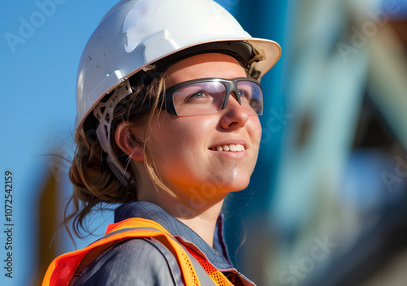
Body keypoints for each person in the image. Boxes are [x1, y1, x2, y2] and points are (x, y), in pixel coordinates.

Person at [42, 0, 281, 285]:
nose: (240, 114)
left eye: (244, 93)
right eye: (201, 95)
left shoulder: (197, 271)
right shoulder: (138, 266)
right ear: (131, 139)